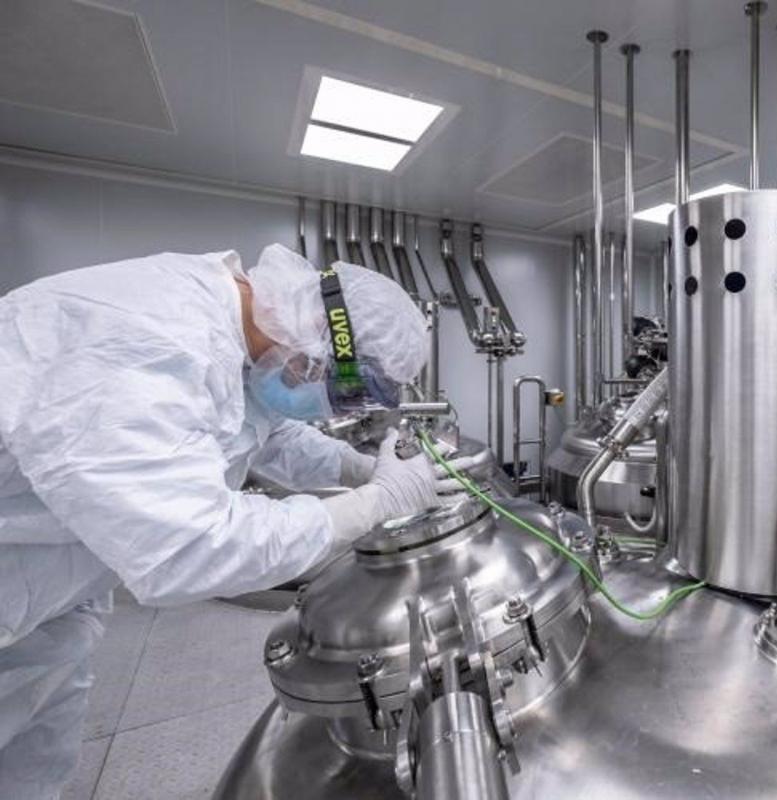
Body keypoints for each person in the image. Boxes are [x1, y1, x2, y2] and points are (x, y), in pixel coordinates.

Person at [0, 243, 445, 798]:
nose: (335, 407)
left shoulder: (235, 331)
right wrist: (376, 503)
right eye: (345, 391)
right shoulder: (146, 343)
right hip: (15, 572)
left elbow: (261, 430)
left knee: (34, 758)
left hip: (52, 587)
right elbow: (189, 547)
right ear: (320, 341)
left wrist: (355, 466)